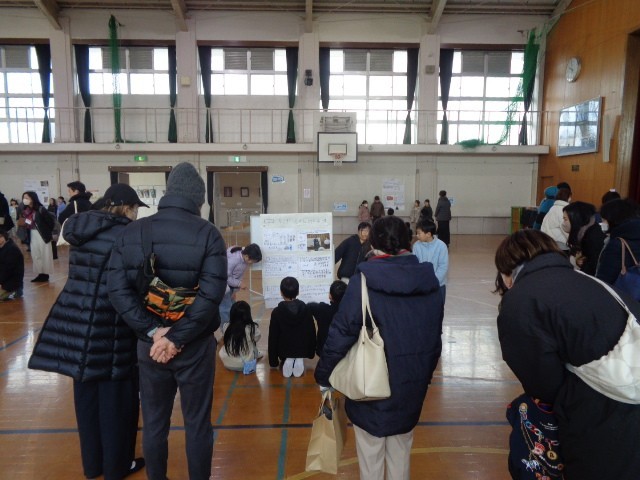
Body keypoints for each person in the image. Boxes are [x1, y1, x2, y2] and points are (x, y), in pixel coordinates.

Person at [107, 162, 228, 480]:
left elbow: (117, 290)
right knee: (197, 423)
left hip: (150, 346)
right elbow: (211, 296)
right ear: (199, 199)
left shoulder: (133, 232)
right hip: (195, 345)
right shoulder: (209, 234)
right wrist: (177, 337)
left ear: (168, 193)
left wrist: (153, 331)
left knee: (154, 423)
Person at [494, 229, 640, 480]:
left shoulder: (522, 298)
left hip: (604, 413)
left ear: (506, 273)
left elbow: (542, 383)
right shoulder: (589, 281)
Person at [28, 184, 148, 480]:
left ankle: (93, 466)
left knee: (87, 401)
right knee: (117, 403)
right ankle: (117, 467)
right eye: (135, 208)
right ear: (126, 207)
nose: (136, 214)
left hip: (79, 323)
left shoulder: (82, 229)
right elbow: (133, 285)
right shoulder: (126, 236)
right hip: (112, 326)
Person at [315, 216, 443, 480]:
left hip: (370, 385)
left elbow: (342, 332)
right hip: (411, 384)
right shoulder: (428, 280)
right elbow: (434, 337)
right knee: (400, 454)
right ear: (408, 241)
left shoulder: (364, 280)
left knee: (370, 455)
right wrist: (424, 375)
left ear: (373, 243)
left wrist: (324, 374)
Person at [268, 276, 316, 378]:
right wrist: (310, 352)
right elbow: (311, 331)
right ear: (298, 292)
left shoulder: (276, 312)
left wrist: (273, 361)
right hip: (302, 348)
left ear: (281, 292)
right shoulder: (306, 309)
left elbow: (273, 337)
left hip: (284, 349)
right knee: (301, 338)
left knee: (284, 340)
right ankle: (299, 358)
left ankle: (289, 358)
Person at [596, 198, 640, 284]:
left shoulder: (616, 244)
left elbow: (604, 279)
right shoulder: (635, 234)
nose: (602, 223)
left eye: (604, 219)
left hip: (619, 290)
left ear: (613, 219)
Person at [219, 243, 262, 330]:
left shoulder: (244, 256)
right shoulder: (234, 260)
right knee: (225, 309)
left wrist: (235, 290)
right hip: (223, 286)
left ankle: (233, 327)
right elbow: (225, 276)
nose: (251, 263)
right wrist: (239, 284)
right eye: (252, 261)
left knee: (232, 306)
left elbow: (238, 274)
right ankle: (226, 330)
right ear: (246, 256)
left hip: (230, 286)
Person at [19, 191, 54, 282]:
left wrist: (47, 231)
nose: (25, 200)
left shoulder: (40, 209)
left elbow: (50, 222)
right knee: (35, 254)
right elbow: (25, 222)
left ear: (32, 198)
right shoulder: (25, 210)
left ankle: (45, 274)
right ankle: (40, 273)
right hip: (32, 233)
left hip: (42, 234)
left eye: (27, 198)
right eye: (24, 198)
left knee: (45, 254)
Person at [562, 201, 605, 275]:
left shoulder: (592, 238)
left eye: (565, 219)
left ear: (575, 219)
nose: (563, 223)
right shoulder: (585, 233)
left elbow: (592, 269)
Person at [219, 300, 262, 372]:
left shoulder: (226, 326)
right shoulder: (251, 327)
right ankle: (255, 354)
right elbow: (257, 338)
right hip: (245, 364)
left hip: (227, 363)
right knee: (253, 345)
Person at [412, 218, 449, 303]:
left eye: (419, 233)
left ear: (428, 234)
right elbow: (415, 265)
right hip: (422, 286)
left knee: (438, 308)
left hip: (438, 285)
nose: (417, 235)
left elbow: (443, 267)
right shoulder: (416, 246)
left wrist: (433, 281)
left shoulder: (441, 246)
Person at [307, 280, 347, 356]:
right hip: (343, 350)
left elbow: (309, 306)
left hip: (324, 349)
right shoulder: (349, 312)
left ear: (330, 296)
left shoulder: (322, 309)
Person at [541, 187, 571, 252]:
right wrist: (572, 241)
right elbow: (565, 228)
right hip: (559, 244)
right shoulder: (562, 210)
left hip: (549, 241)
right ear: (568, 197)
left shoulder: (553, 208)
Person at [0, 230, 24, 301]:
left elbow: (7, 270)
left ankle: (17, 290)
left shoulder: (12, 249)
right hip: (4, 279)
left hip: (12, 281)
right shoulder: (3, 247)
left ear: (4, 237)